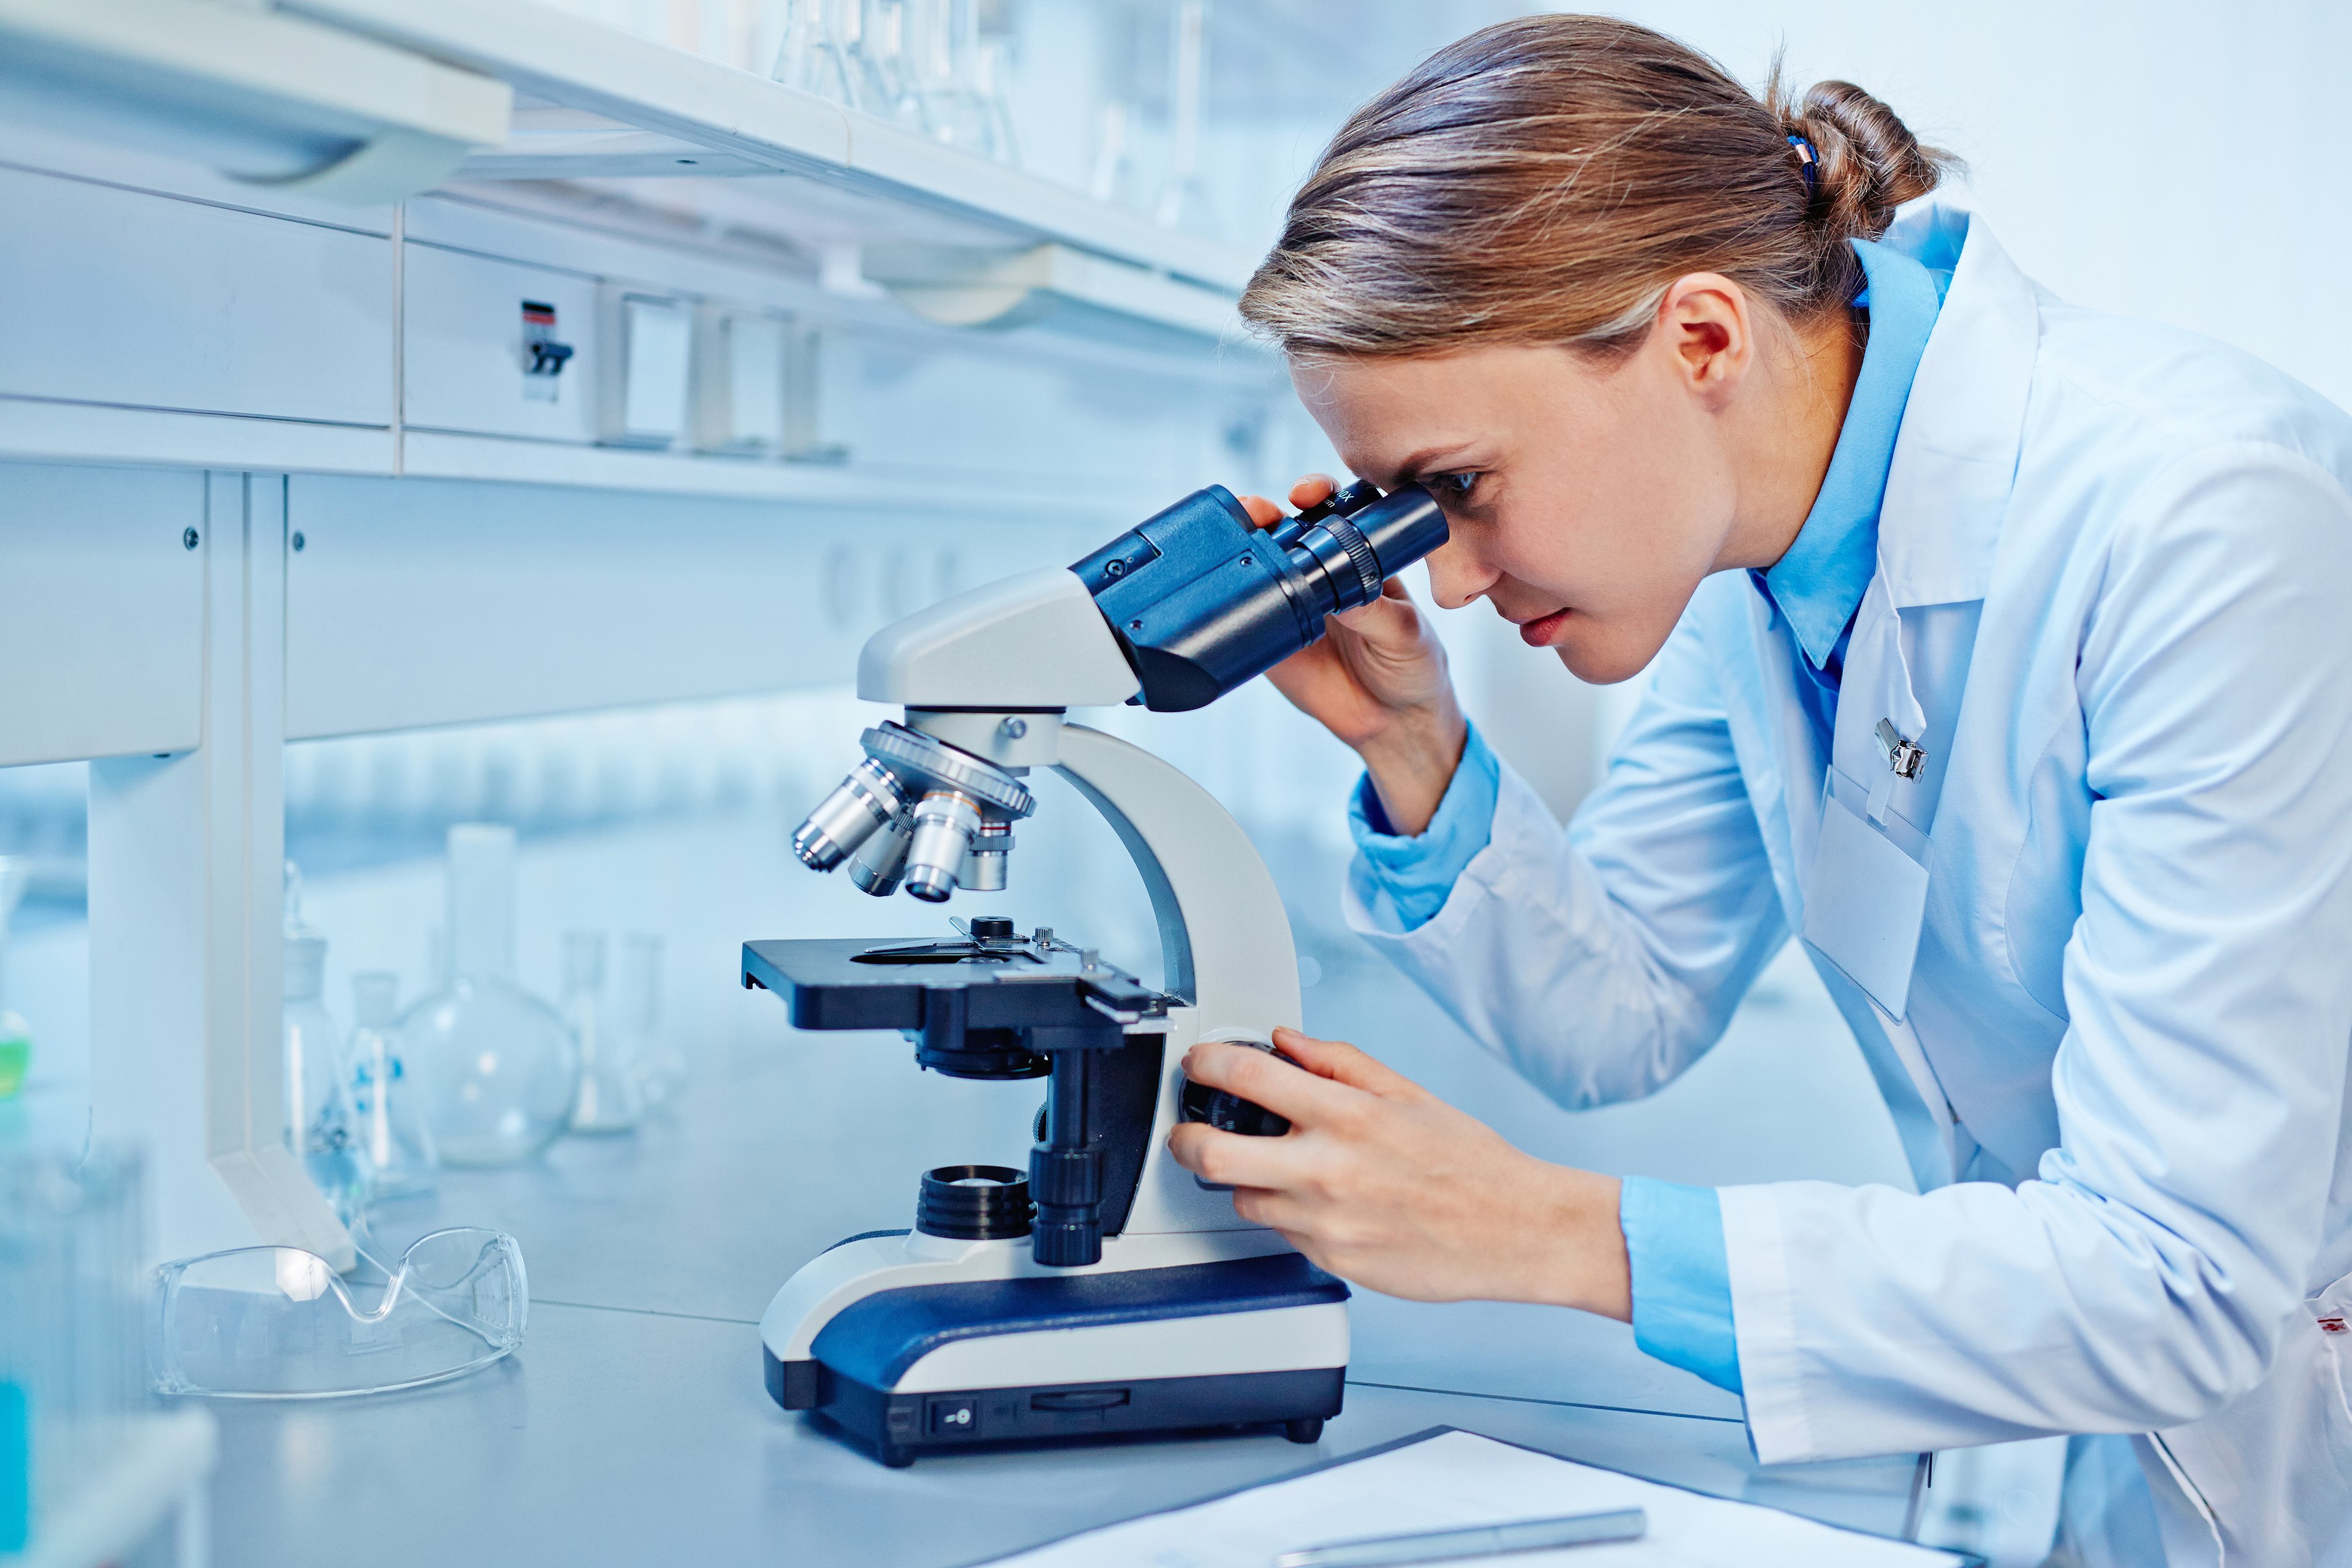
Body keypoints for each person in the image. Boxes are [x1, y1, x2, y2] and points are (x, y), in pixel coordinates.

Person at [1163, 17, 2352, 1568]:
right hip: (2081, 1437)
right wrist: (1412, 739)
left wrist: (1542, 1229)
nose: (1445, 578)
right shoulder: (1755, 553)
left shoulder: (2206, 519)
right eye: (1405, 508)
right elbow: (1622, 1009)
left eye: (1460, 487)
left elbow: (2179, 1276)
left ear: (1705, 341)